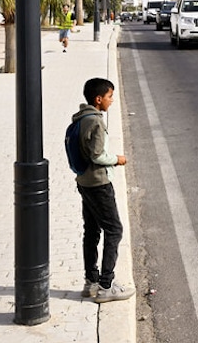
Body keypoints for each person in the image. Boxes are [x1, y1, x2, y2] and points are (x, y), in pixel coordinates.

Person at [71, 78, 133, 303]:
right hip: (99, 184)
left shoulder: (81, 118)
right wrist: (118, 159)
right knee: (114, 230)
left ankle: (91, 282)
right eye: (110, 96)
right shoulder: (96, 122)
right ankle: (106, 286)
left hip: (84, 182)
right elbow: (98, 155)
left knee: (92, 230)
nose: (112, 100)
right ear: (99, 99)